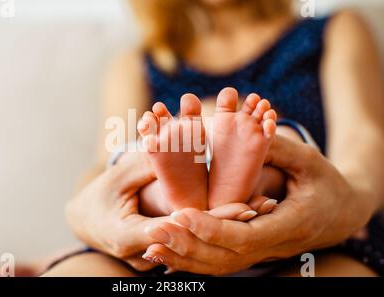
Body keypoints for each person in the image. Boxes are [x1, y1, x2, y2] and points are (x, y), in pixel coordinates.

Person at [42, 0, 384, 276]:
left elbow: (362, 139)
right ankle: (206, 195)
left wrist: (352, 203)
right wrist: (90, 222)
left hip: (309, 239)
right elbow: (105, 168)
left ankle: (213, 190)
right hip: (162, 249)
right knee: (137, 165)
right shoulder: (136, 64)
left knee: (280, 146)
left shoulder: (332, 31)